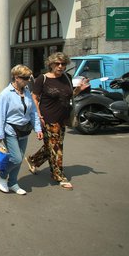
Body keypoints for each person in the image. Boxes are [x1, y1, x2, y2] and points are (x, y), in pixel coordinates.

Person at [26, 52, 88, 190]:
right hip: (48, 118)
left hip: (62, 118)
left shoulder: (67, 77)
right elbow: (34, 97)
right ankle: (59, 175)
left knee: (52, 145)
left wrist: (78, 90)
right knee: (57, 147)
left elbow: (67, 94)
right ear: (51, 64)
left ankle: (34, 160)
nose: (60, 66)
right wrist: (39, 115)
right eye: (57, 64)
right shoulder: (43, 79)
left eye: (63, 64)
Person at [0, 65, 43, 194]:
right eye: (25, 78)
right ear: (16, 77)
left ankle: (13, 182)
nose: (28, 80)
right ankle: (2, 176)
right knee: (16, 158)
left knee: (19, 158)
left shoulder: (26, 92)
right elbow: (1, 115)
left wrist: (38, 129)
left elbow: (32, 113)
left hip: (24, 130)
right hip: (10, 130)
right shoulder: (5, 94)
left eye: (29, 78)